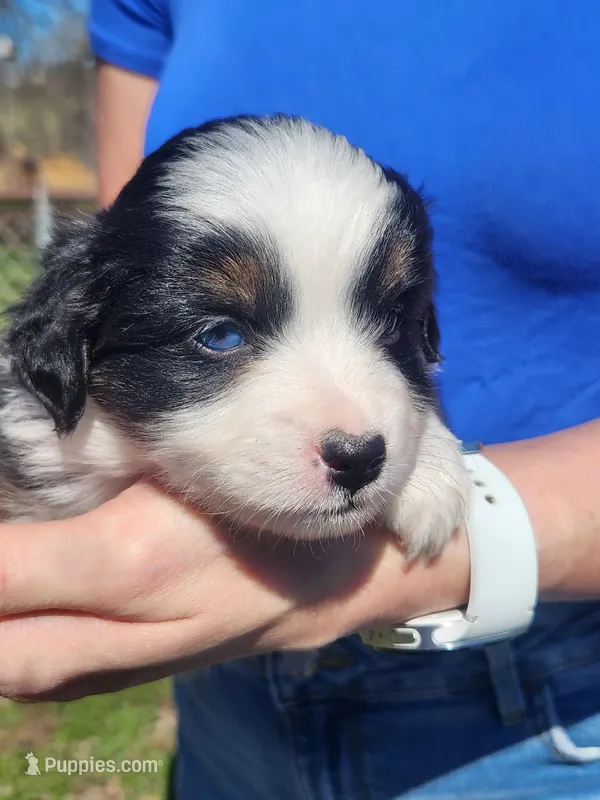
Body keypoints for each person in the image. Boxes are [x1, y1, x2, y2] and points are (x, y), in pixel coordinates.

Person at [1, 1, 599, 797]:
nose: (356, 426)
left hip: (535, 702)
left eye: (391, 322)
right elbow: (125, 240)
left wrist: (475, 511)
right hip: (224, 711)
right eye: (221, 334)